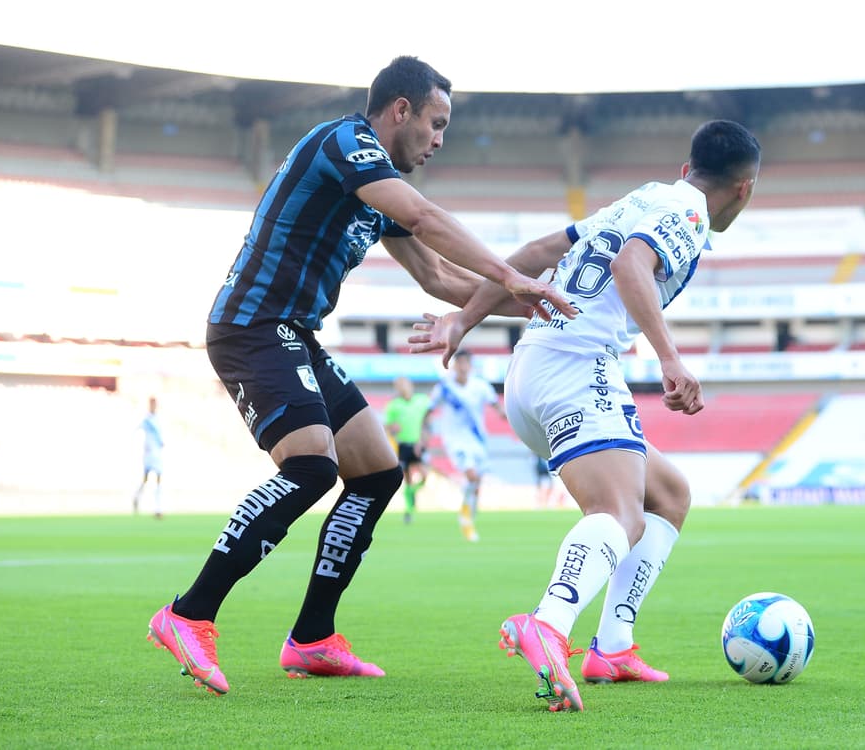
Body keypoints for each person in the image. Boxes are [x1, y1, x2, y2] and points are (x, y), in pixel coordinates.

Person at [146, 55, 576, 696]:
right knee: (313, 467)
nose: (439, 140)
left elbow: (439, 278)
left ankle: (313, 637)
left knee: (376, 472)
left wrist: (526, 302)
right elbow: (428, 219)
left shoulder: (377, 194)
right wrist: (512, 273)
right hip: (254, 326)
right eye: (436, 123)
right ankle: (188, 613)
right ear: (399, 110)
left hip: (295, 333)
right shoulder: (345, 143)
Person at [412, 119, 761, 712]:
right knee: (619, 513)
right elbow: (630, 267)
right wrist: (671, 359)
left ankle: (613, 647)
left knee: (668, 495)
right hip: (577, 367)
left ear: (685, 169)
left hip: (534, 369)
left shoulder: (648, 197)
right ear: (744, 189)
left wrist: (463, 319)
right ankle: (547, 625)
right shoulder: (691, 215)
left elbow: (539, 255)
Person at [423, 350, 505, 542]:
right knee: (471, 475)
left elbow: (495, 404)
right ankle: (466, 520)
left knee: (476, 485)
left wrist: (505, 414)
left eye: (465, 363)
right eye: (458, 363)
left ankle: (469, 516)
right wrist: (423, 435)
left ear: (470, 366)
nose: (462, 367)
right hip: (455, 440)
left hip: (478, 440)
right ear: (454, 366)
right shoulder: (444, 388)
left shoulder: (480, 386)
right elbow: (429, 410)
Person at [382, 376, 429, 524]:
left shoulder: (422, 401)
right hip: (402, 446)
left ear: (410, 385)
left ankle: (412, 493)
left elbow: (427, 418)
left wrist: (423, 440)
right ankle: (409, 510)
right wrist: (392, 428)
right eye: (398, 386)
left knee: (424, 475)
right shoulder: (394, 405)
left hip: (417, 444)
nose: (402, 388)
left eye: (404, 385)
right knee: (407, 478)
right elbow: (386, 426)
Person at [133, 396, 166, 518]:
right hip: (148, 454)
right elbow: (135, 431)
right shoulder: (146, 419)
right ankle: (136, 497)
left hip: (157, 453)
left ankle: (158, 509)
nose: (154, 406)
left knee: (158, 478)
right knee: (145, 479)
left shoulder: (158, 418)